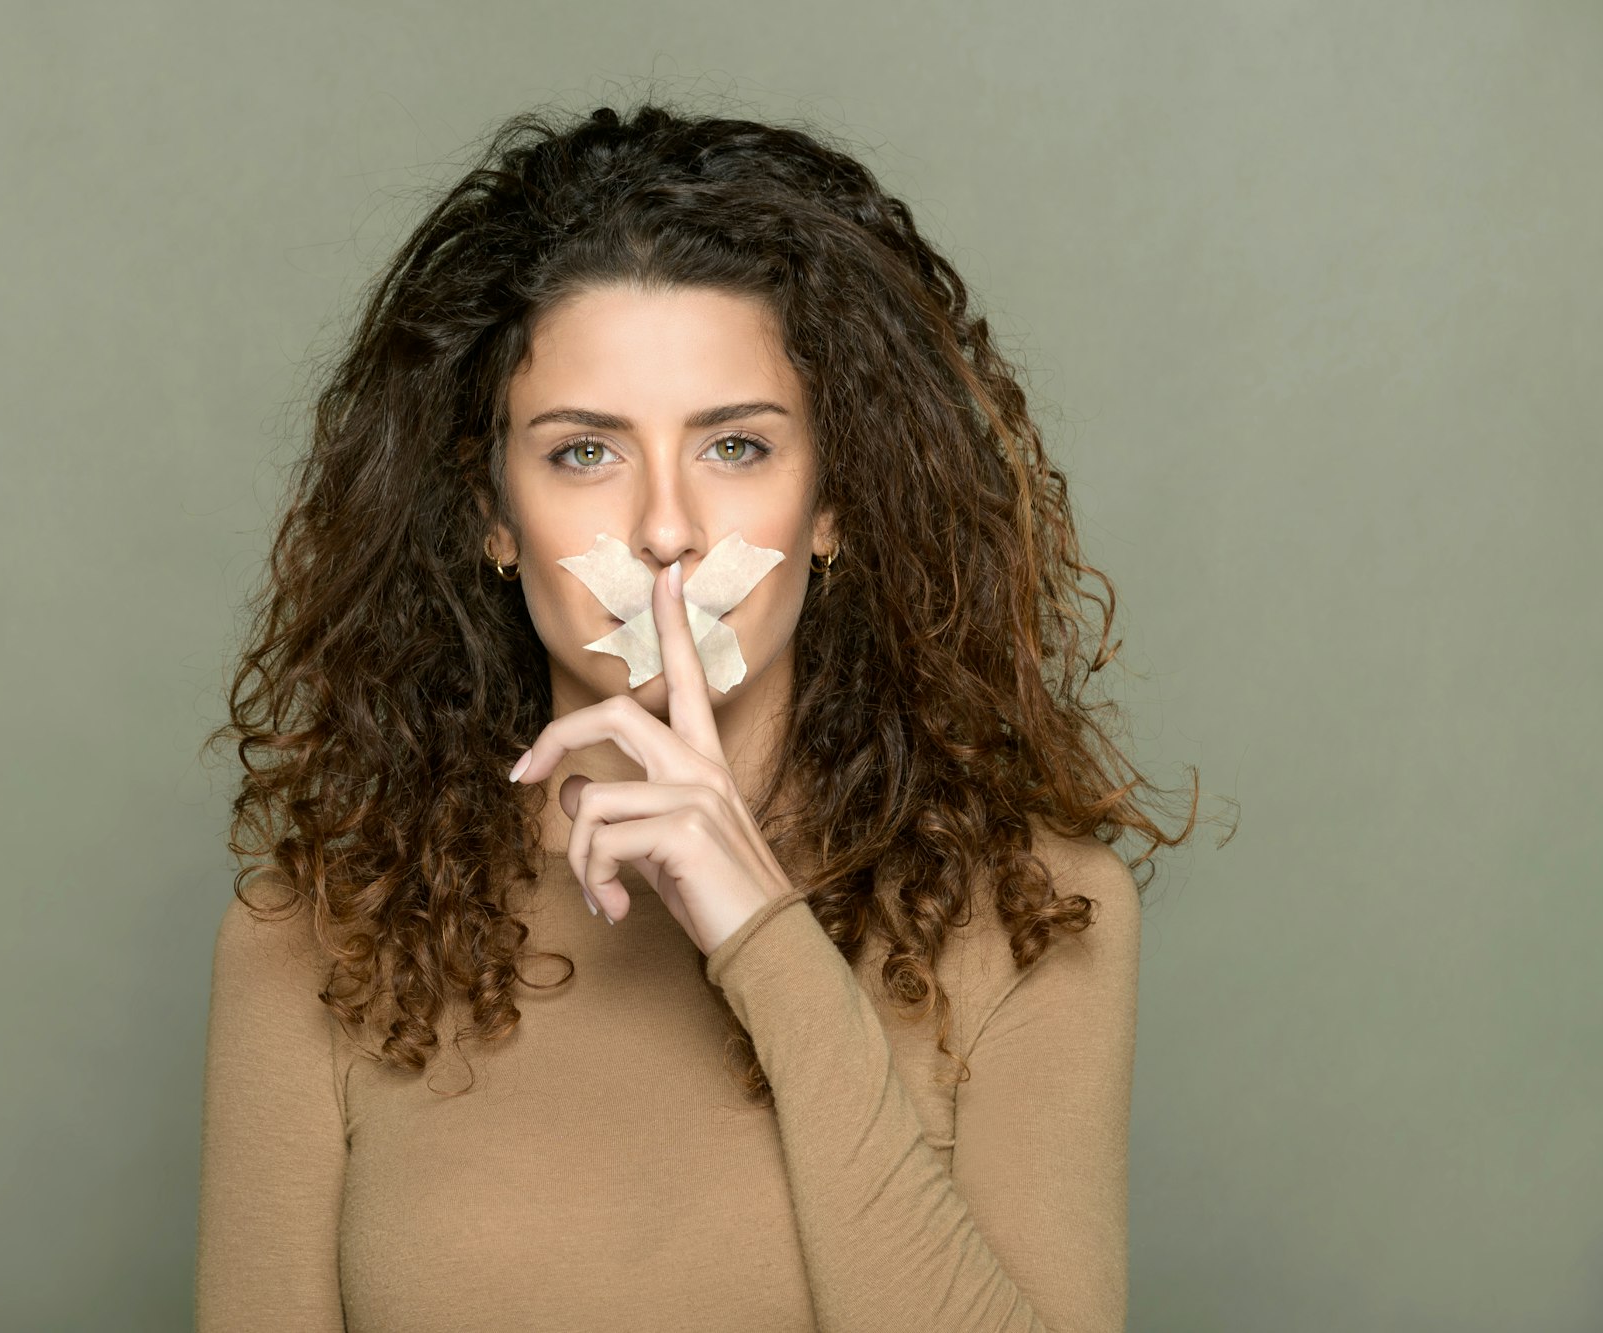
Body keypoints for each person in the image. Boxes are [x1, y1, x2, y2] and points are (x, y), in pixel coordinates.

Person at [195, 99, 1200, 1333]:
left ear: (831, 503)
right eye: (584, 452)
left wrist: (763, 939)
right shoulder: (313, 940)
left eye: (734, 447)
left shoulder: (1032, 914)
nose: (665, 531)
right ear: (491, 515)